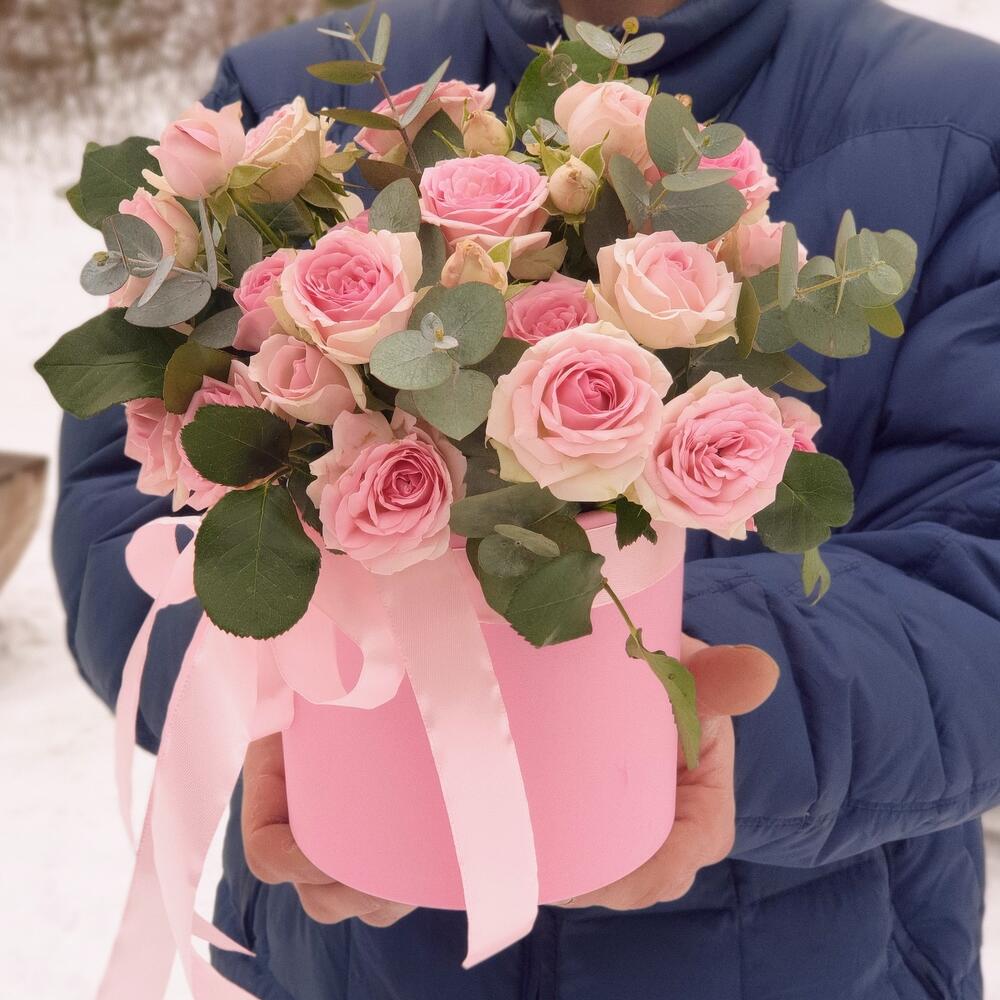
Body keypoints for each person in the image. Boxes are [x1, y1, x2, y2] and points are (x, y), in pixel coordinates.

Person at [53, 0, 1000, 997]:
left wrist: (679, 696)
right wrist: (282, 692)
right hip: (354, 963)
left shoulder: (959, 123)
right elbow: (124, 500)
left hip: (808, 959)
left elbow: (978, 568)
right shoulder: (290, 97)